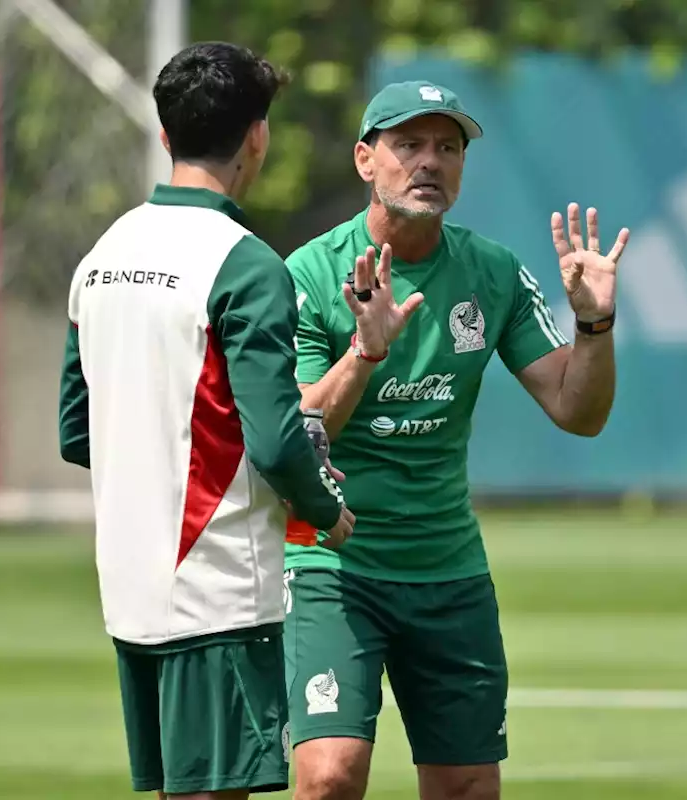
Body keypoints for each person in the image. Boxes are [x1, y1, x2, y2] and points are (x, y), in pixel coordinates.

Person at [279, 80, 628, 800]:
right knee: (329, 775)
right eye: (408, 145)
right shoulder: (311, 273)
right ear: (365, 160)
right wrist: (364, 354)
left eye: (448, 147)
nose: (429, 162)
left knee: (468, 783)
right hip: (332, 565)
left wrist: (594, 326)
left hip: (446, 568)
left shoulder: (492, 272)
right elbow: (297, 431)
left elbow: (578, 409)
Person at [57, 41, 355, 799]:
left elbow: (75, 430)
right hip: (217, 592)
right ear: (258, 135)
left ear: (165, 135)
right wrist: (325, 509)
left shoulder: (100, 257)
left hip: (129, 590)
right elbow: (277, 437)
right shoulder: (246, 264)